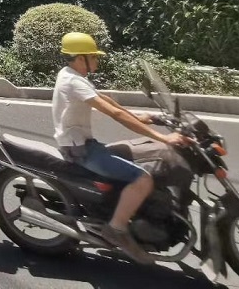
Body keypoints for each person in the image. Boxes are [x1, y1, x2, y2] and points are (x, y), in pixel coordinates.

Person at [53, 31, 192, 265]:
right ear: (80, 58)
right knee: (143, 179)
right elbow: (113, 113)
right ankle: (116, 230)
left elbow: (105, 99)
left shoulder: (72, 74)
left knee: (142, 152)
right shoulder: (73, 81)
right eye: (93, 57)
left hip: (82, 143)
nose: (97, 61)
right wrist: (164, 137)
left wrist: (140, 115)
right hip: (80, 150)